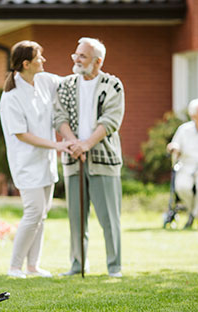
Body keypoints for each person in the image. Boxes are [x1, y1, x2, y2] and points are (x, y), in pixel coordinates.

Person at [0, 40, 72, 279]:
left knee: (42, 213)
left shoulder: (44, 81)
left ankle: (33, 265)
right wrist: (57, 144)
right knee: (33, 213)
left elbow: (69, 82)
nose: (44, 60)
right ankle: (14, 267)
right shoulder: (11, 97)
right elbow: (22, 134)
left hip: (46, 161)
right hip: (27, 164)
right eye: (40, 57)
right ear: (26, 64)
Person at [54, 37, 125, 277]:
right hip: (74, 160)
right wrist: (75, 144)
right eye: (76, 54)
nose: (76, 59)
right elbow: (59, 117)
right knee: (76, 219)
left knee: (109, 219)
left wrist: (86, 145)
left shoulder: (113, 85)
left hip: (104, 161)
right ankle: (77, 265)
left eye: (82, 56)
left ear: (98, 62)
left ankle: (114, 267)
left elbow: (111, 121)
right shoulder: (65, 85)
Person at [167, 98, 198, 228]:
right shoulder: (184, 130)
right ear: (193, 116)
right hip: (186, 167)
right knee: (182, 188)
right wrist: (173, 147)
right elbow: (175, 144)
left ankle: (192, 216)